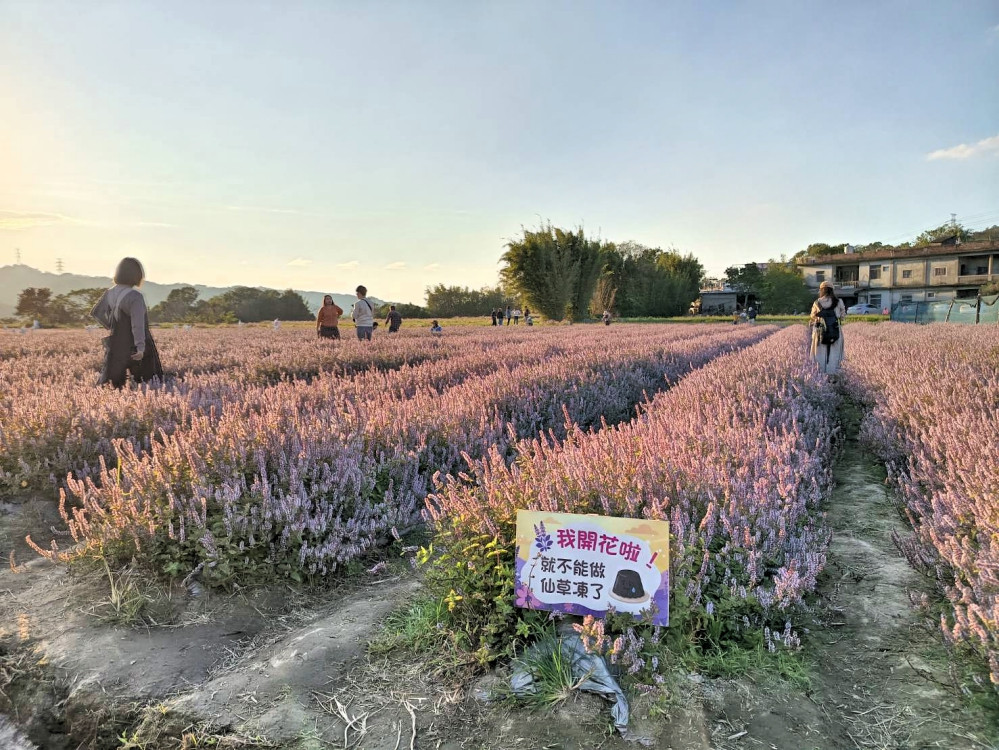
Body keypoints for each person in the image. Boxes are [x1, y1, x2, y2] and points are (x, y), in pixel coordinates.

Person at [91, 257, 163, 388]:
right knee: (147, 384)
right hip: (134, 344)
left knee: (113, 385)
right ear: (136, 275)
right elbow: (137, 325)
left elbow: (96, 313)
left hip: (116, 344)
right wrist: (140, 348)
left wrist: (112, 326)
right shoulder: (135, 296)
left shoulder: (109, 293)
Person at [810, 281, 847, 375]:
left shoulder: (817, 302)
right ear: (832, 290)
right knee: (834, 352)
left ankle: (821, 374)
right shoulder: (838, 301)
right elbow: (843, 316)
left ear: (821, 290)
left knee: (820, 353)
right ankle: (833, 373)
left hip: (820, 330)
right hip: (835, 329)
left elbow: (813, 316)